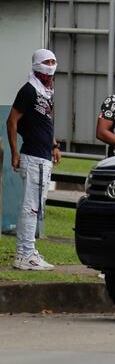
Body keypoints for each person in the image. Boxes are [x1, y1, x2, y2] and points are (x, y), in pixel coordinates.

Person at [6, 49, 61, 270]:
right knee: (31, 208)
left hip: (44, 156)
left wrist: (54, 145)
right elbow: (11, 122)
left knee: (35, 206)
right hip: (33, 157)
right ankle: (25, 254)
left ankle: (27, 251)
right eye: (46, 62)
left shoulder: (47, 91)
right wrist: (14, 152)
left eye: (53, 62)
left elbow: (47, 122)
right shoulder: (28, 90)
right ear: (37, 64)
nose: (51, 66)